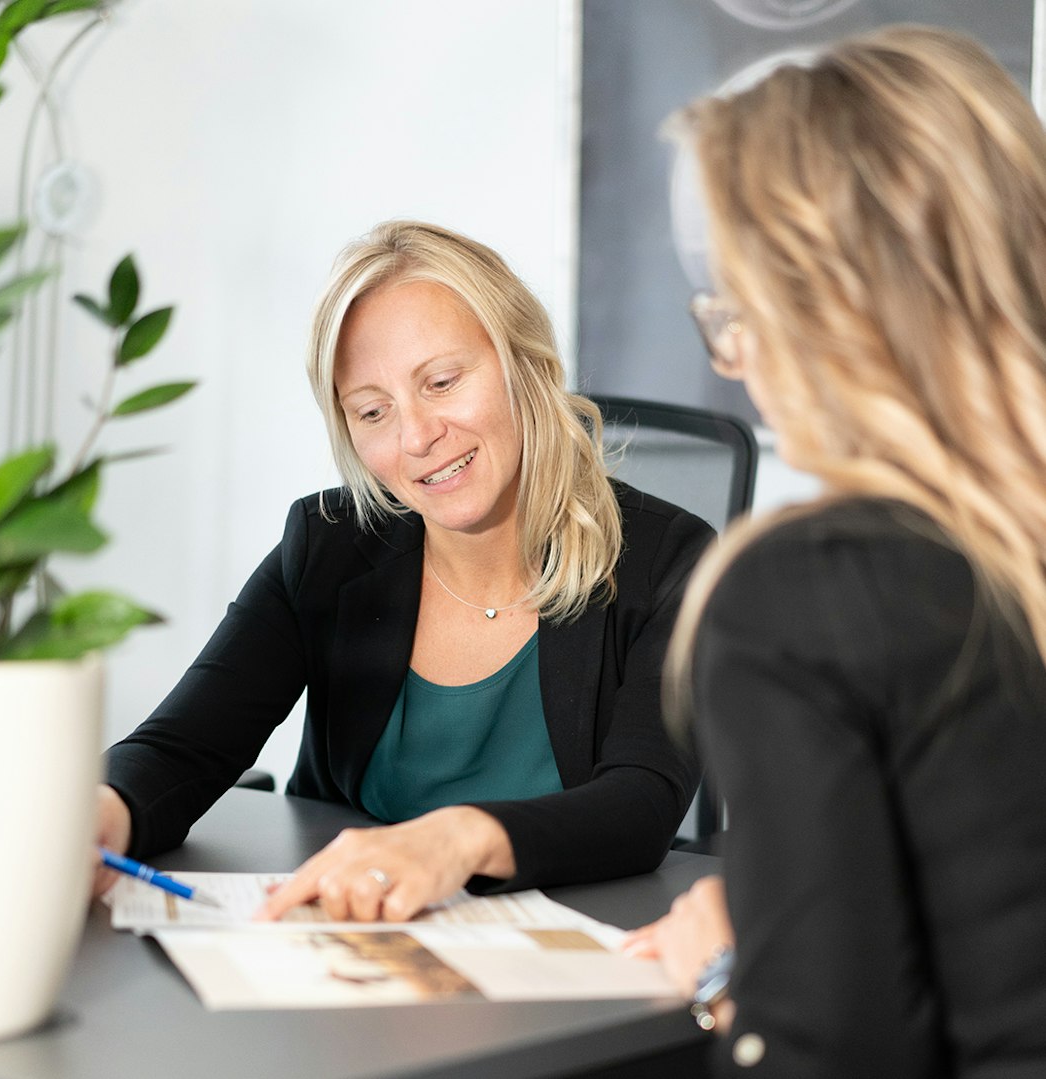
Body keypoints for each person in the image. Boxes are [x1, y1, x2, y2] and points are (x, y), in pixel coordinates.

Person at [624, 24, 1046, 1078]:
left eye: (737, 308)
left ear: (823, 311)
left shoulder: (801, 591)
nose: (736, 357)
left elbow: (829, 1055)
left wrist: (732, 970)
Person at [94, 220, 714, 922]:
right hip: (347, 936)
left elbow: (641, 801)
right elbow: (182, 747)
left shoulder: (668, 560)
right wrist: (100, 814)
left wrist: (458, 840)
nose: (417, 436)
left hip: (567, 948)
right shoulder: (329, 546)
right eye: (372, 411)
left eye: (441, 382)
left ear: (526, 364)